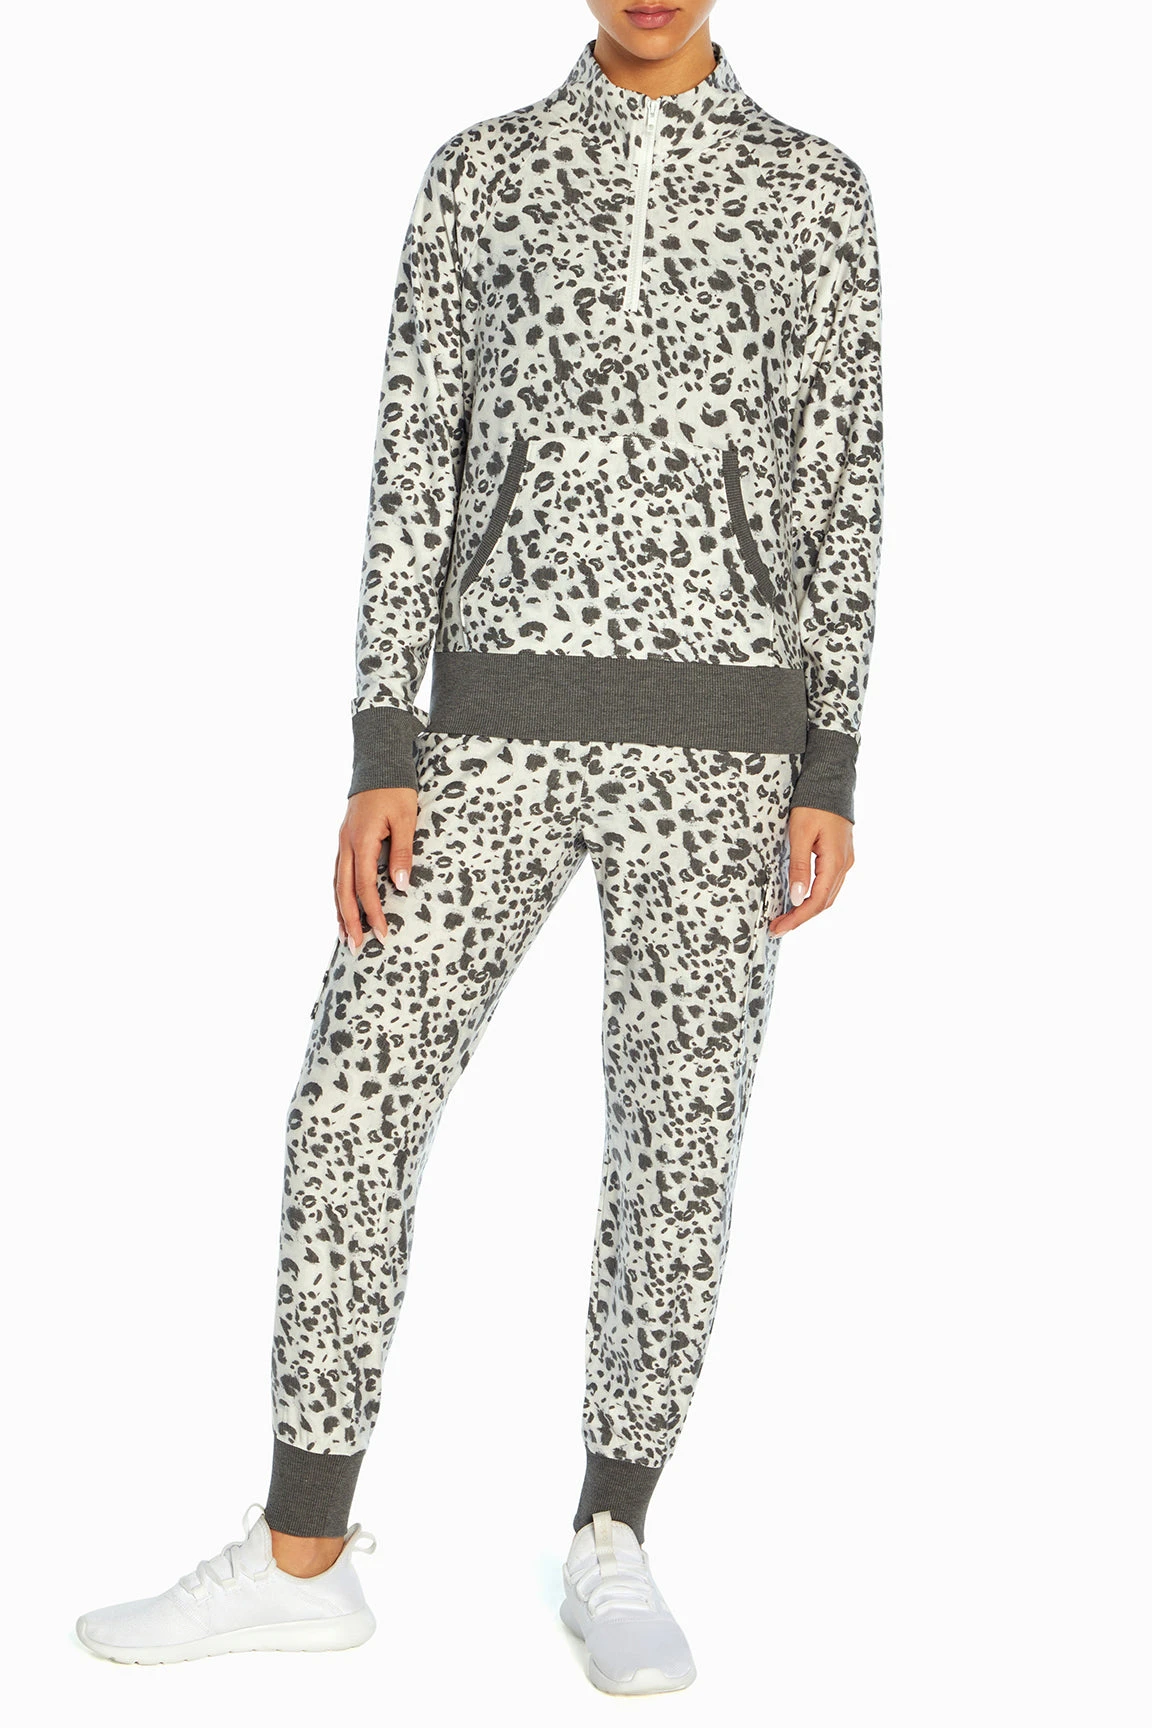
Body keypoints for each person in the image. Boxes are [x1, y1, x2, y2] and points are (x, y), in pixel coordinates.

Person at [75, 0, 883, 1695]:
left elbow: (844, 481)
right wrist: (386, 734)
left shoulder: (818, 190)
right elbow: (411, 459)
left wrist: (831, 757)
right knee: (354, 1091)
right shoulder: (480, 175)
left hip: (727, 743)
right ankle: (303, 1553)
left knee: (678, 1139)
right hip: (491, 721)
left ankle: (614, 1537)